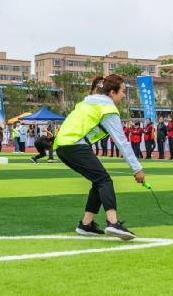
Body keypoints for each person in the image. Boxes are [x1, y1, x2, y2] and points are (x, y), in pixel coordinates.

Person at [54, 74, 145, 240]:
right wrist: (137, 169)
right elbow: (122, 142)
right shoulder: (107, 108)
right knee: (104, 180)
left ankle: (86, 224)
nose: (124, 95)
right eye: (122, 91)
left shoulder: (88, 102)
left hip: (63, 146)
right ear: (112, 93)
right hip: (74, 145)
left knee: (98, 181)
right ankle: (113, 222)